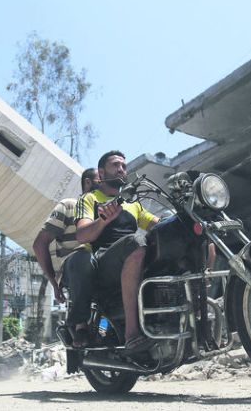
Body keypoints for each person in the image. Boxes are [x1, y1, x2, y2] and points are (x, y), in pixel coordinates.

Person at [75, 150, 159, 354]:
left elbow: (156, 224)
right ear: (101, 173)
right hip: (103, 260)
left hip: (131, 254)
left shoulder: (133, 204)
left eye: (124, 165)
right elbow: (82, 235)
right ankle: (132, 334)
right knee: (135, 242)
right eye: (115, 165)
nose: (121, 169)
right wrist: (103, 220)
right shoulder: (89, 198)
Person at [32, 168, 100, 348]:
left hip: (102, 266)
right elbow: (39, 244)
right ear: (88, 183)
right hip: (75, 266)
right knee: (82, 257)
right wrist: (55, 284)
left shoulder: (111, 210)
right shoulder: (69, 205)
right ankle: (79, 324)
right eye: (101, 180)